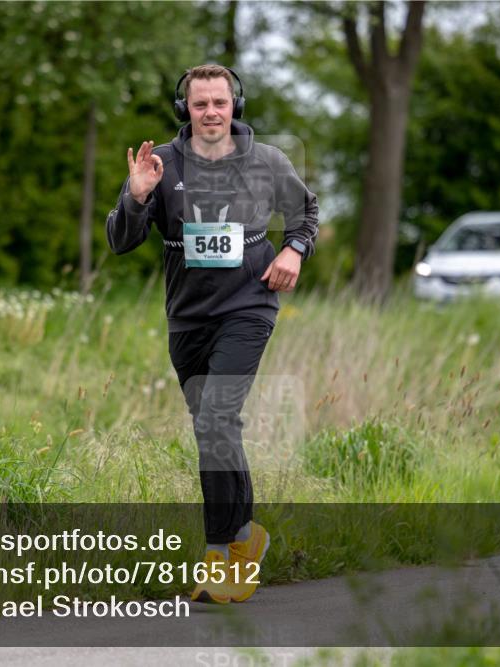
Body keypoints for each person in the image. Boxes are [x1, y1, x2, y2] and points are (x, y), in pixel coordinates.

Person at [105, 64, 319, 603]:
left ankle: (220, 556)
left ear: (234, 105)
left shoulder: (267, 161)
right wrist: (135, 197)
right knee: (213, 428)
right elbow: (120, 241)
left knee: (218, 416)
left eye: (219, 103)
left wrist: (294, 249)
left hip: (249, 306)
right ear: (185, 110)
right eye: (199, 104)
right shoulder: (161, 164)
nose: (210, 113)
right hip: (188, 317)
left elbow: (305, 212)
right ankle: (248, 536)